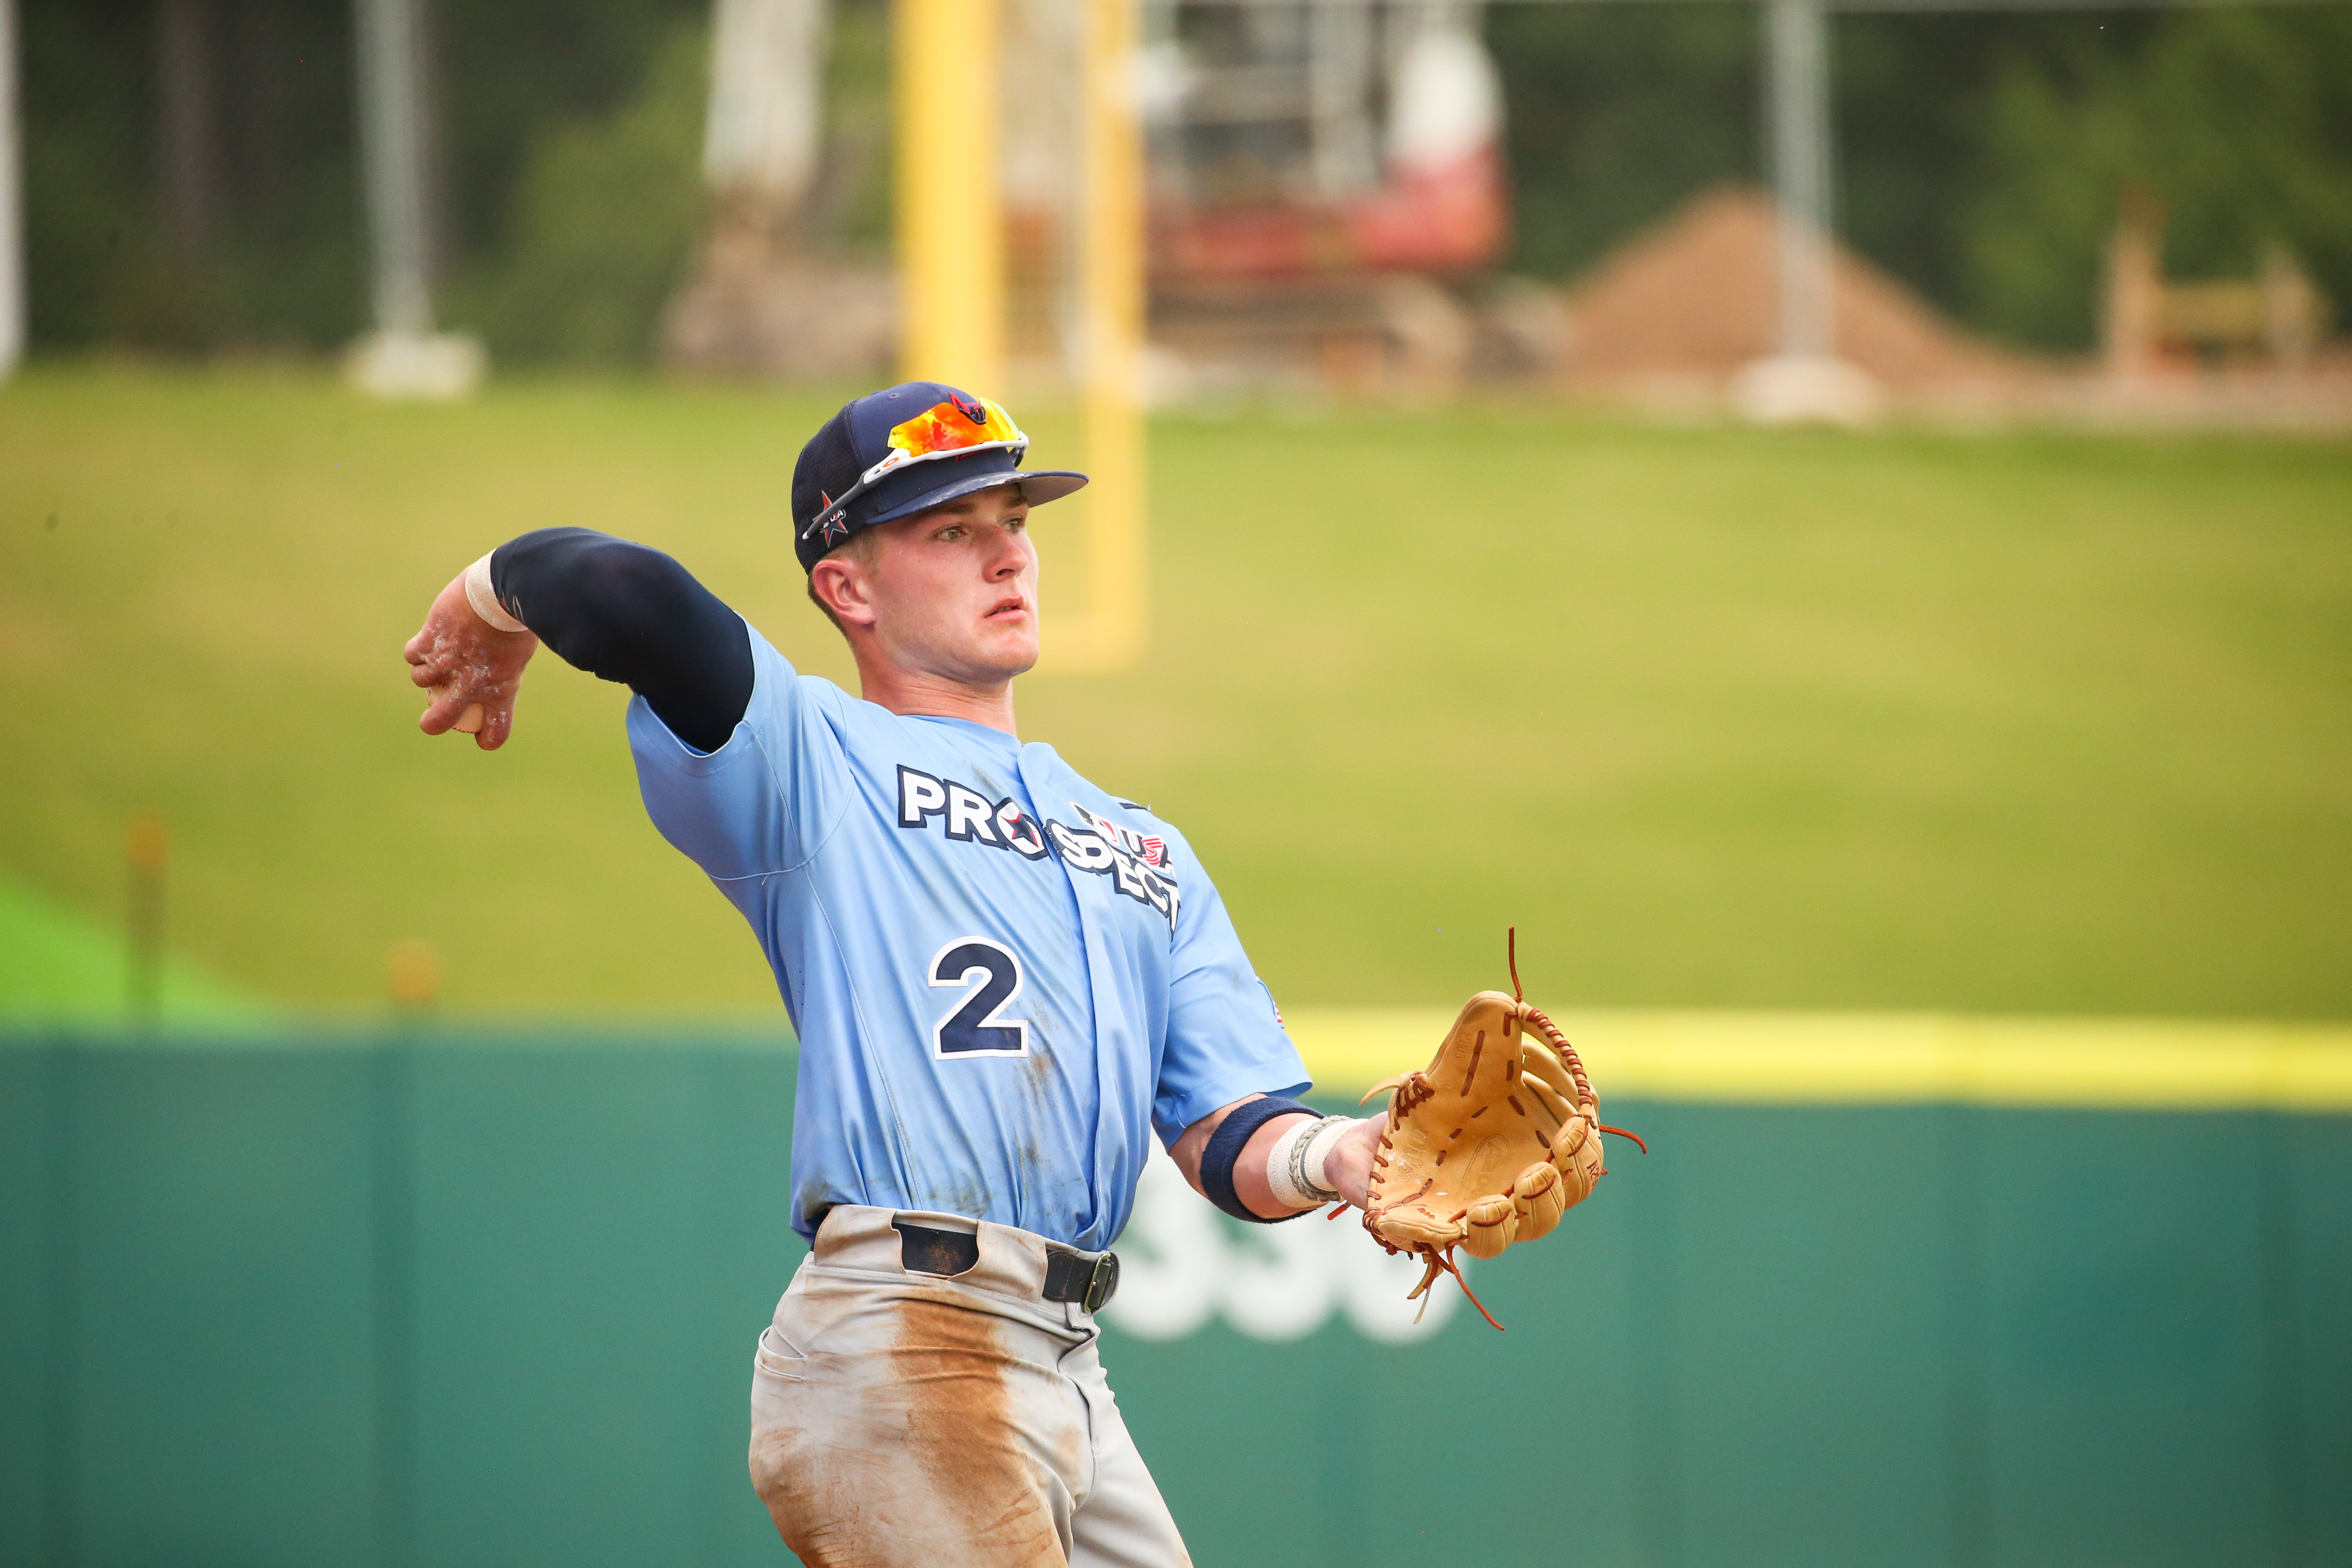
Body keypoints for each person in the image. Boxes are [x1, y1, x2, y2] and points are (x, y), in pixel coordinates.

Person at [402, 382, 1388, 1568]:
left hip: (1066, 1360)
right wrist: (486, 606)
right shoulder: (808, 760)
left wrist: (1338, 1155)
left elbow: (1229, 1136)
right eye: (950, 530)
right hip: (903, 1336)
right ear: (848, 587)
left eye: (1013, 520)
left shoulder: (1143, 848)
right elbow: (625, 591)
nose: (1008, 554)